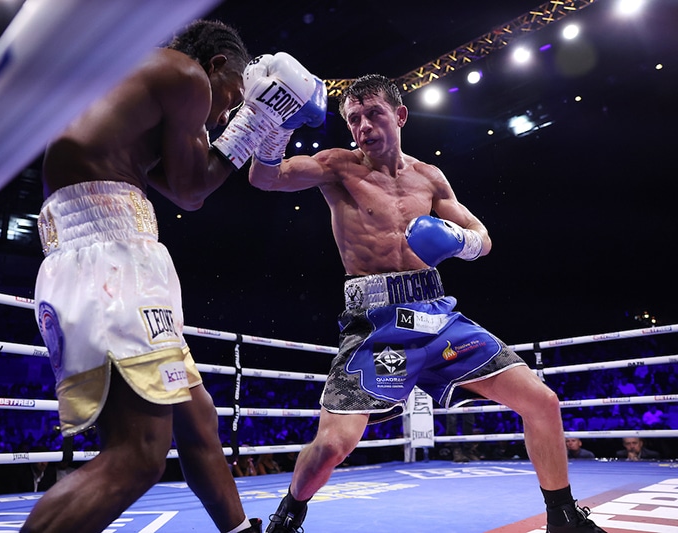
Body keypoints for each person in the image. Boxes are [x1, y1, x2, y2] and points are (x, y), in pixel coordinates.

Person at [248, 74, 606, 533]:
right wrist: (275, 126)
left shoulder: (429, 177)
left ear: (399, 116)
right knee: (333, 445)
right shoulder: (338, 167)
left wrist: (456, 240)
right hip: (375, 323)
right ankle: (287, 515)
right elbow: (266, 178)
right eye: (354, 119)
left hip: (437, 315)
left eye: (374, 114)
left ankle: (562, 516)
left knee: (542, 401)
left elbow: (483, 238)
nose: (364, 127)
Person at [21, 20, 321, 533]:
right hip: (110, 260)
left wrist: (254, 124)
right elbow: (194, 189)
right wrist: (252, 121)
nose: (222, 112)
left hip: (104, 252)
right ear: (219, 64)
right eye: (229, 97)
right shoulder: (184, 73)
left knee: (196, 415)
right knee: (138, 455)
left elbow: (182, 186)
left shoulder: (136, 87)